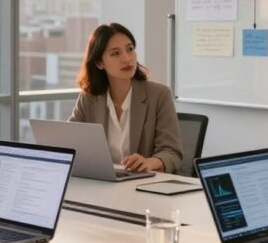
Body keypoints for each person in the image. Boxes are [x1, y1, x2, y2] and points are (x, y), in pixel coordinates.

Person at [69, 22, 183, 173]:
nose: (127, 58)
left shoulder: (159, 95)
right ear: (99, 62)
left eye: (130, 49)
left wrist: (150, 162)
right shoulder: (89, 98)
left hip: (144, 184)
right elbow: (69, 142)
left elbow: (172, 152)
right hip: (103, 181)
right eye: (115, 53)